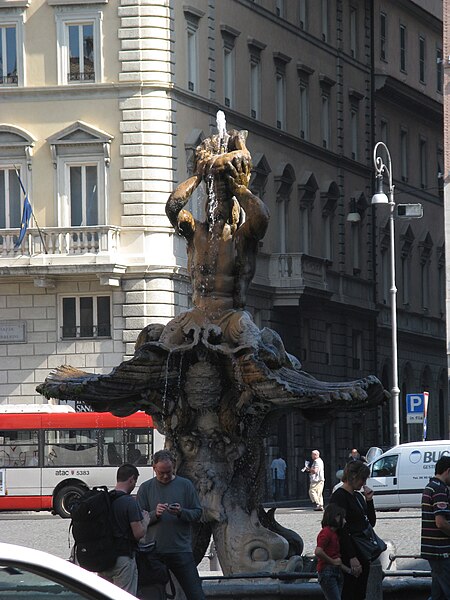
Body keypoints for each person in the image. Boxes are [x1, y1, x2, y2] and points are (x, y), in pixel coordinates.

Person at [162, 130, 270, 349]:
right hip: (196, 315)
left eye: (224, 200)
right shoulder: (196, 232)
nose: (218, 205)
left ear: (234, 206)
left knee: (251, 350)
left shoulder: (241, 237)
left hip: (231, 317)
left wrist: (239, 188)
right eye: (214, 200)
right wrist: (198, 176)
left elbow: (261, 216)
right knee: (160, 348)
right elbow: (173, 207)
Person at [137, 449, 206, 600]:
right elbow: (139, 520)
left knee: (195, 593)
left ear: (174, 466)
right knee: (153, 594)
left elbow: (197, 513)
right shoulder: (145, 488)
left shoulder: (185, 485)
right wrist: (155, 514)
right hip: (153, 551)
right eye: (161, 472)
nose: (165, 476)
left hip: (181, 550)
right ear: (154, 468)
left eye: (168, 471)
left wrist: (181, 512)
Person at [99, 463, 150, 596]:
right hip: (123, 559)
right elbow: (138, 534)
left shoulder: (104, 499)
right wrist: (146, 520)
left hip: (103, 558)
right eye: (135, 481)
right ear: (131, 479)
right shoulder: (129, 502)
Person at [329, 460, 376, 600]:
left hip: (362, 550)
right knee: (349, 591)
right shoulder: (339, 496)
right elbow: (340, 530)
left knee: (360, 592)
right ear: (353, 476)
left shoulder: (358, 496)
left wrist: (369, 500)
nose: (364, 483)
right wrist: (351, 557)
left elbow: (370, 523)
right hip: (349, 551)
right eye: (362, 478)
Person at [421, 455, 450, 600]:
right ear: (448, 471)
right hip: (440, 549)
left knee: (437, 594)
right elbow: (441, 522)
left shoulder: (430, 486)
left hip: (432, 548)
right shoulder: (439, 489)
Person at [314, 504, 352, 600]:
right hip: (327, 572)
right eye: (343, 518)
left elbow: (337, 561)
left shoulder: (333, 534)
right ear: (336, 517)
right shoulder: (326, 532)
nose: (345, 521)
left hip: (334, 571)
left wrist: (349, 571)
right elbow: (318, 551)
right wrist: (332, 561)